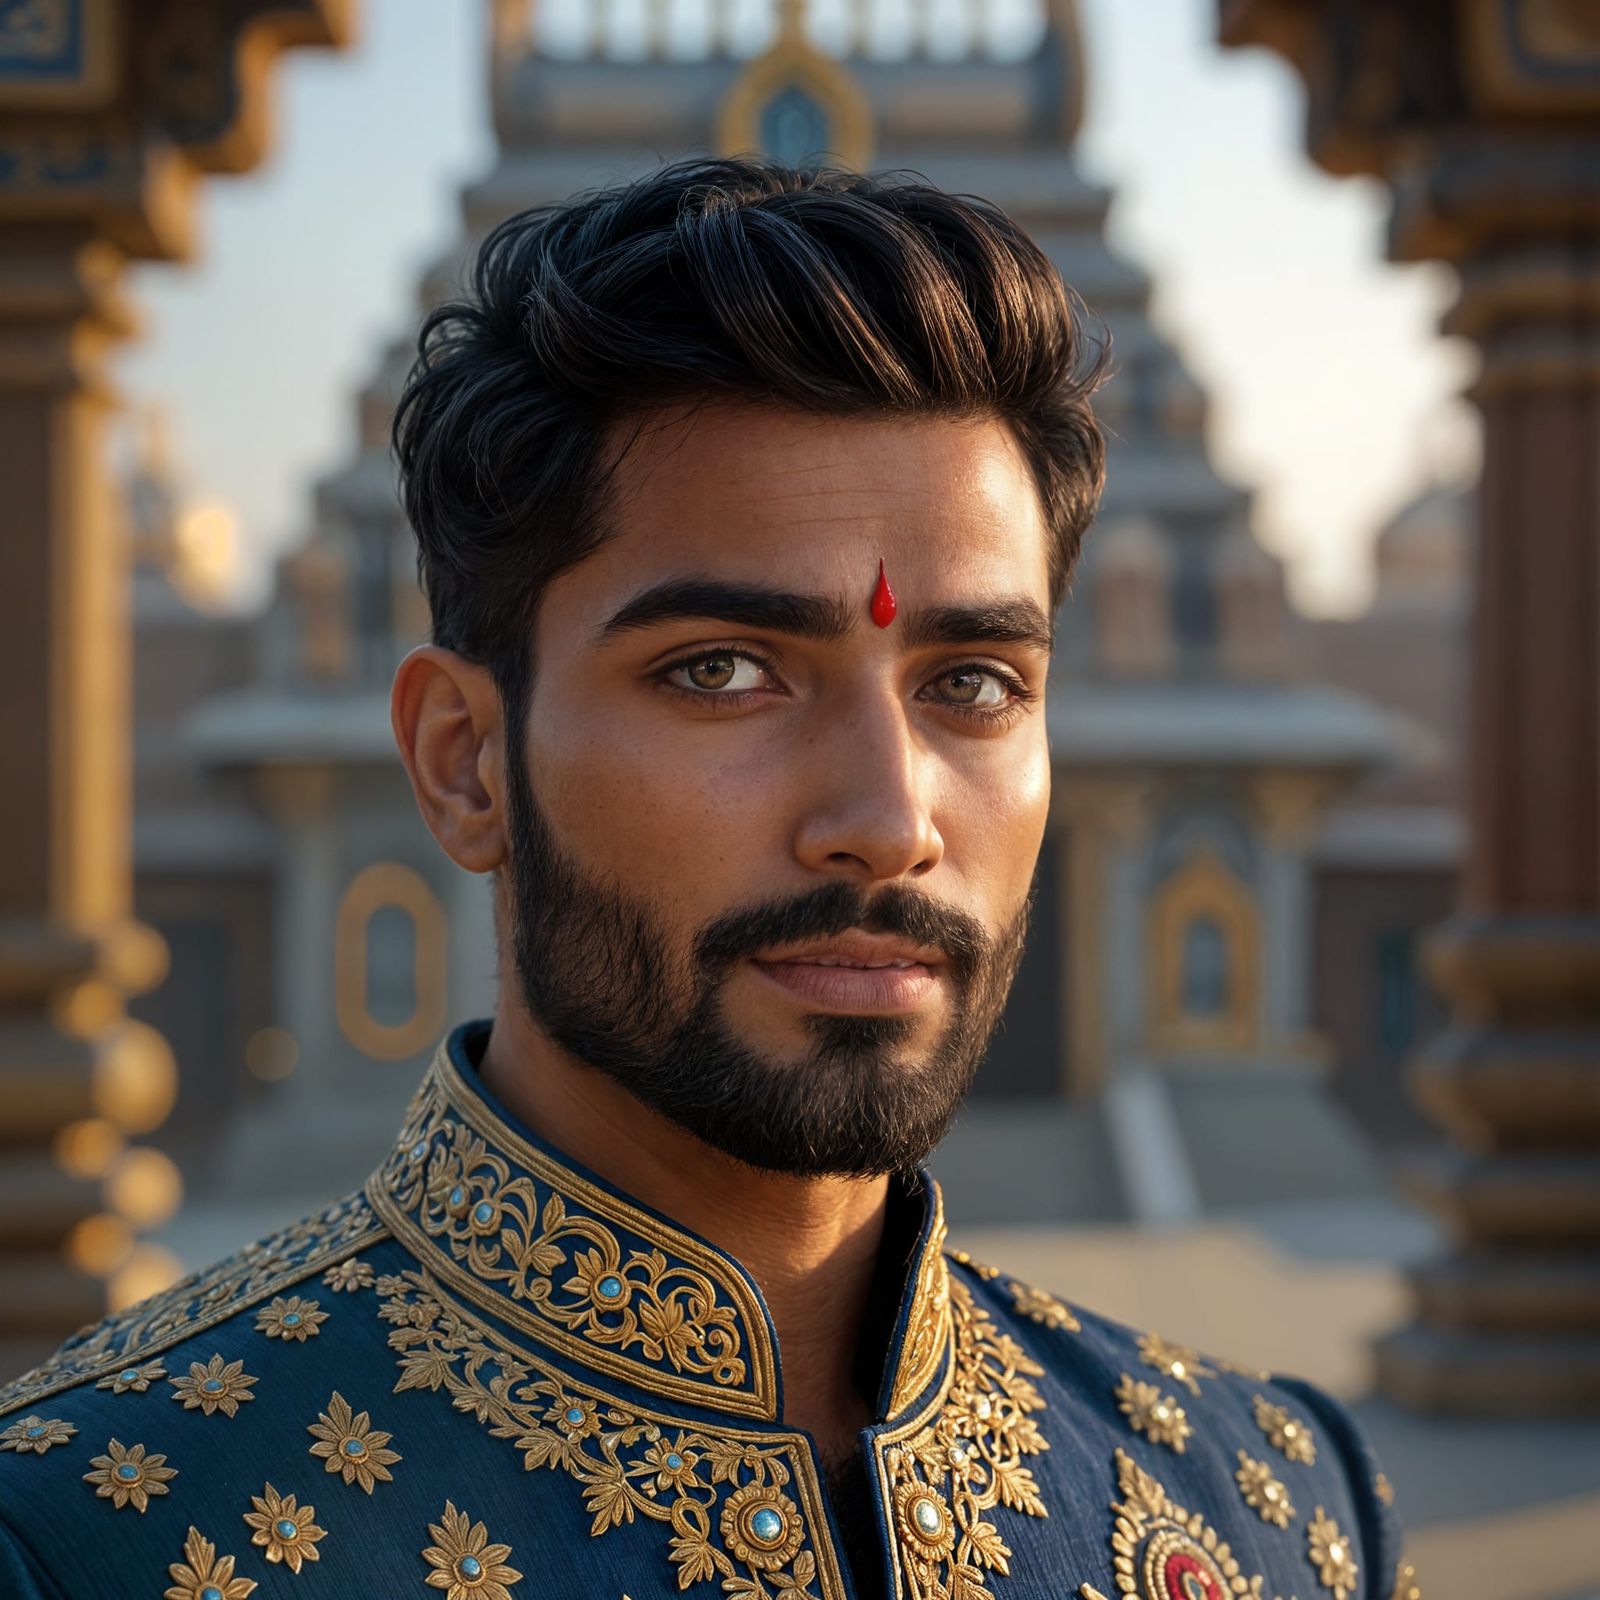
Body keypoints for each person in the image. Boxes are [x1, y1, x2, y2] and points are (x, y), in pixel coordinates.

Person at [0, 156, 1416, 1600]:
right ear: (465, 763)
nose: (887, 818)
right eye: (724, 672)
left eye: (976, 681)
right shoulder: (95, 1538)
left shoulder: (1271, 1515)